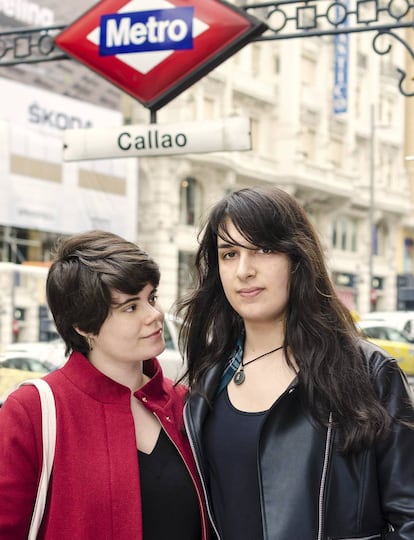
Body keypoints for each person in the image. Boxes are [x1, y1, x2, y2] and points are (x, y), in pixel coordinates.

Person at [176, 186, 414, 540]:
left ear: (297, 258)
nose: (244, 270)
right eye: (229, 254)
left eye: (264, 250)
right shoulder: (209, 375)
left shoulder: (368, 372)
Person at [0, 230, 209, 540]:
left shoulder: (184, 403)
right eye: (130, 306)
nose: (155, 315)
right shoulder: (32, 411)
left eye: (151, 298)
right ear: (84, 325)